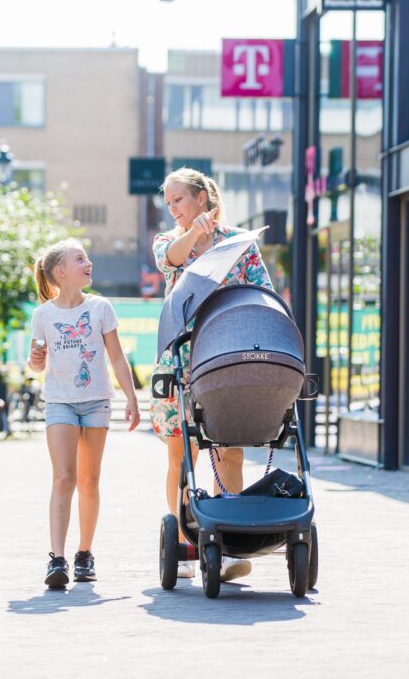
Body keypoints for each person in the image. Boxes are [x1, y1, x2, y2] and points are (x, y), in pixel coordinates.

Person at [151, 167, 274, 582]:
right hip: (182, 359)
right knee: (181, 453)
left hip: (229, 353)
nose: (173, 208)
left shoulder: (240, 242)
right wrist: (194, 233)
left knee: (230, 447)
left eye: (179, 200)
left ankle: (229, 543)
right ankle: (185, 539)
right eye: (169, 203)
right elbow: (172, 259)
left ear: (201, 198)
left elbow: (262, 291)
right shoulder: (168, 240)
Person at [27, 239, 140, 589]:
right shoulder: (43, 315)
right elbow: (35, 364)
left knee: (90, 481)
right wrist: (35, 362)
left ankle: (84, 553)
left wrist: (132, 398)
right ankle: (56, 559)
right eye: (80, 259)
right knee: (64, 478)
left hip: (96, 402)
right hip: (60, 401)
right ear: (61, 271)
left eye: (87, 257)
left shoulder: (101, 307)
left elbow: (117, 358)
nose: (88, 263)